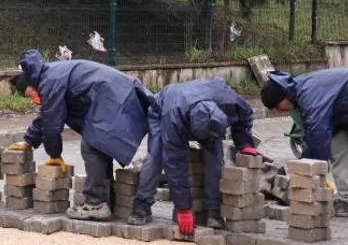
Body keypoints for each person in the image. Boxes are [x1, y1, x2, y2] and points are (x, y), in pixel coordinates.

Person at [8, 49, 154, 221]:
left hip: (115, 98)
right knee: (99, 146)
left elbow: (52, 123)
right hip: (118, 95)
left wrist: (55, 154)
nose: (32, 99)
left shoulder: (49, 81)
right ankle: (109, 200)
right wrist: (29, 141)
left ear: (31, 85)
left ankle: (95, 204)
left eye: (29, 95)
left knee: (92, 144)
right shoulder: (52, 75)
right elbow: (49, 114)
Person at [127, 78, 261, 232]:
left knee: (216, 159)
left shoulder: (229, 101)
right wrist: (183, 208)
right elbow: (175, 163)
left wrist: (244, 144)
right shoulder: (174, 119)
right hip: (162, 110)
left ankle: (214, 211)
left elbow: (246, 115)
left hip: (197, 109)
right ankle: (142, 205)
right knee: (156, 156)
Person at [261, 69, 348, 216]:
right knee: (337, 145)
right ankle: (346, 199)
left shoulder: (309, 94)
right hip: (342, 114)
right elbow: (313, 135)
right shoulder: (299, 91)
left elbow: (317, 135)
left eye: (277, 107)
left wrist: (308, 173)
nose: (279, 112)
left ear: (283, 96)